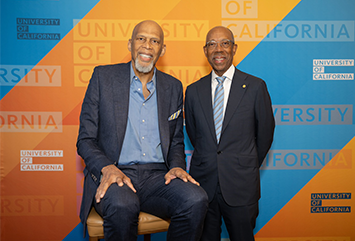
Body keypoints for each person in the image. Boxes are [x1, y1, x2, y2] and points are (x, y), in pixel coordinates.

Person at [77, 20, 208, 241]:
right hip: (117, 174)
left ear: (162, 50)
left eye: (155, 41)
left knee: (195, 199)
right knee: (123, 204)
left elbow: (176, 140)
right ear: (130, 44)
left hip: (157, 177)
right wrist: (106, 168)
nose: (147, 45)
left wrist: (176, 166)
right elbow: (85, 140)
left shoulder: (173, 86)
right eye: (141, 38)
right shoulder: (103, 78)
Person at [184, 26, 275, 241]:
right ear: (205, 50)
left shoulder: (255, 87)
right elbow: (195, 134)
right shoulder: (193, 90)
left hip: (241, 185)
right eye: (212, 44)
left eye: (224, 43)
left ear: (234, 48)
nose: (219, 49)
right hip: (203, 185)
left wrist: (245, 163)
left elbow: (265, 134)